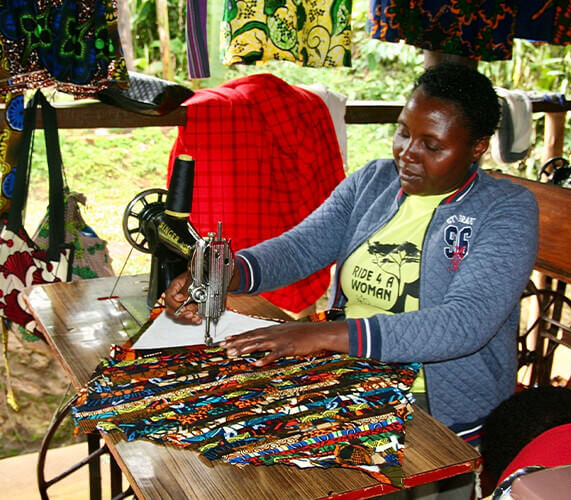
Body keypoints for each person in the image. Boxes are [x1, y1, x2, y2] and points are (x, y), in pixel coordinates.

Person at [165, 63, 539, 444]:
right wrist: (229, 271)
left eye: (432, 145)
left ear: (478, 147)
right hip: (350, 370)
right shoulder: (374, 182)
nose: (407, 154)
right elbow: (300, 248)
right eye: (403, 132)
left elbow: (463, 324)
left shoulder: (505, 210)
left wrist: (322, 335)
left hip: (435, 402)